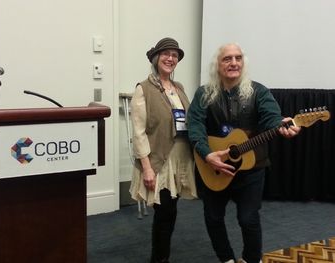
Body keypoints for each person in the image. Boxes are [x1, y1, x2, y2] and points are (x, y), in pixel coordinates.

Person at [187, 43, 301, 263]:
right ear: (217, 65)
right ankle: (227, 259)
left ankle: (251, 259)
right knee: (213, 218)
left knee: (248, 219)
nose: (233, 63)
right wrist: (206, 154)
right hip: (214, 167)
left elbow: (272, 119)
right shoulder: (204, 93)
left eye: (238, 58)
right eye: (227, 59)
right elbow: (195, 126)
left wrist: (281, 125)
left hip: (251, 169)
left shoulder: (258, 91)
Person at [129, 37, 197, 263]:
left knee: (171, 211)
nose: (171, 58)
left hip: (181, 158)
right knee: (163, 212)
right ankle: (159, 259)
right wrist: (147, 168)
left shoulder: (179, 88)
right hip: (159, 161)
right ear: (156, 58)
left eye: (175, 55)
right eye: (166, 54)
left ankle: (161, 257)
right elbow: (138, 133)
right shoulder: (143, 89)